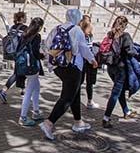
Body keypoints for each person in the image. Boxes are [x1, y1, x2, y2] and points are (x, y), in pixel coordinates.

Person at [39, 9, 97, 140]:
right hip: (73, 67)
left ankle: (78, 122)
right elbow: (84, 49)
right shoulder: (77, 30)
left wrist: (50, 63)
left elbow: (48, 46)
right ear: (78, 18)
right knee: (67, 97)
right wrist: (92, 60)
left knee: (74, 93)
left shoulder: (57, 28)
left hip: (59, 66)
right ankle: (49, 123)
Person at [102, 16, 139, 128]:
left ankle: (126, 111)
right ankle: (106, 117)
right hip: (120, 68)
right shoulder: (125, 36)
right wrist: (137, 52)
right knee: (116, 92)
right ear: (124, 25)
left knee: (120, 90)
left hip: (110, 67)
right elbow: (130, 51)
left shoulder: (110, 34)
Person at [17, 17, 46, 126]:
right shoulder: (36, 36)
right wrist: (42, 55)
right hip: (31, 65)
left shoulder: (25, 33)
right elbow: (35, 52)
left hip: (23, 63)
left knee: (36, 87)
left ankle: (36, 111)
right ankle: (23, 117)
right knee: (29, 90)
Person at [0, 12, 28, 103]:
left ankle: (23, 89)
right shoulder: (24, 28)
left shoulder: (12, 28)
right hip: (21, 53)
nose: (26, 19)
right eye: (25, 17)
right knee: (17, 73)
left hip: (13, 52)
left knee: (20, 71)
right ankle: (3, 90)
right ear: (21, 18)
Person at [79, 15, 99, 109]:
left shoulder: (90, 35)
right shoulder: (80, 36)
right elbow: (84, 50)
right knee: (80, 81)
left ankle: (90, 100)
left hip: (90, 61)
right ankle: (75, 100)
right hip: (83, 61)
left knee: (90, 82)